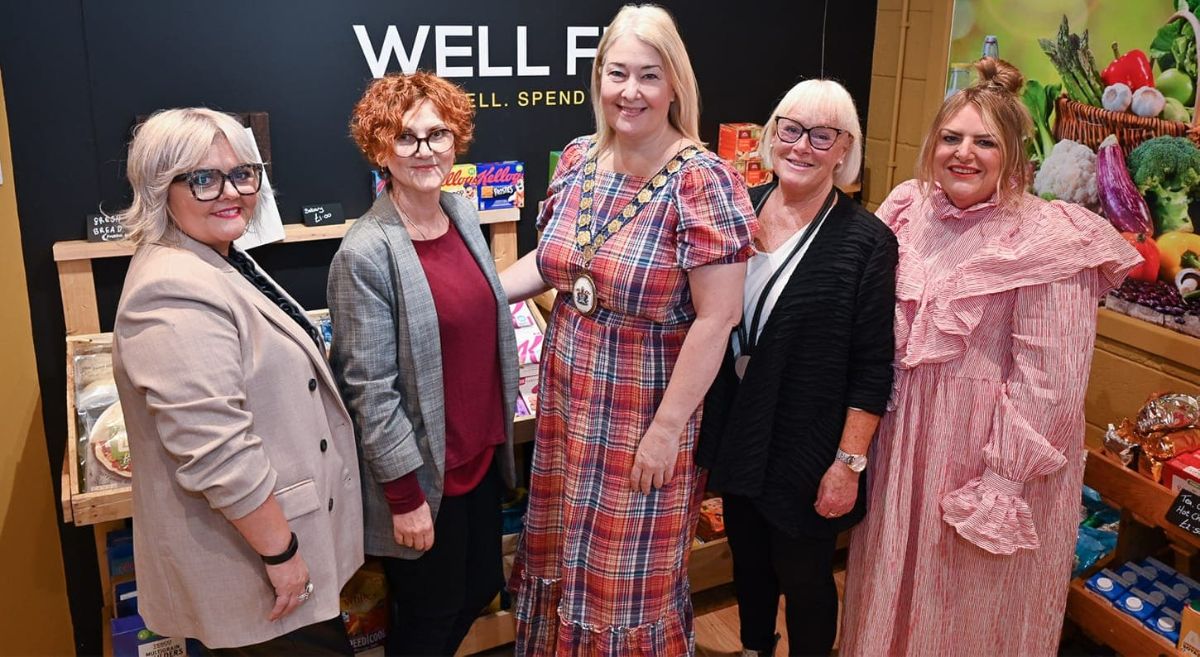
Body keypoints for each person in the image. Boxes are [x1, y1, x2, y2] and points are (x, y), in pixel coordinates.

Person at [839, 58, 1142, 656]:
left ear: (1015, 155)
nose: (964, 154)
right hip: (901, 441)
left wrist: (1002, 480)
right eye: (951, 138)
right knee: (888, 583)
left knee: (963, 603)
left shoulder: (1051, 238)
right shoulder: (907, 208)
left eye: (985, 142)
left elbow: (1049, 384)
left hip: (982, 454)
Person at [500, 4, 758, 655]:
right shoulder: (580, 158)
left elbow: (718, 316)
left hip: (643, 418)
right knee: (563, 567)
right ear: (599, 78)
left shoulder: (703, 180)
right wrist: (474, 294)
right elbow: (556, 261)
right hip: (567, 413)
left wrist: (665, 432)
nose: (631, 91)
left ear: (675, 84)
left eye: (649, 75)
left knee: (624, 587)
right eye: (618, 73)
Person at [112, 108, 363, 654]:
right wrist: (281, 554)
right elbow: (217, 451)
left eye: (243, 173)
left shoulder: (217, 257)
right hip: (253, 567)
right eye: (202, 178)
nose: (231, 192)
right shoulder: (173, 289)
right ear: (160, 187)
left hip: (273, 553)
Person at [697, 79, 896, 657]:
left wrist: (848, 464)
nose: (801, 146)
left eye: (821, 135)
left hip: (810, 445)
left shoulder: (868, 242)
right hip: (742, 427)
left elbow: (873, 365)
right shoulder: (739, 209)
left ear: (845, 149)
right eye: (790, 129)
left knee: (805, 578)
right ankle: (757, 647)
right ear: (771, 134)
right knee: (750, 565)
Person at [327, 71, 518, 657]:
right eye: (406, 138)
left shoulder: (459, 214)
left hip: (479, 457)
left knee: (481, 586)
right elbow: (369, 391)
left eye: (438, 134)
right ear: (380, 148)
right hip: (428, 478)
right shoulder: (366, 251)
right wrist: (405, 498)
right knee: (427, 622)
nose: (425, 150)